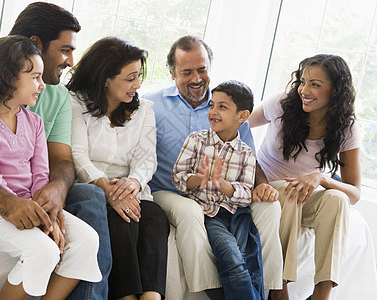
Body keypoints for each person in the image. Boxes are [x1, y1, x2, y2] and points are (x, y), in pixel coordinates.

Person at [0, 3, 111, 300]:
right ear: (36, 45)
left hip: (29, 189)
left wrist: (53, 195)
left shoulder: (54, 99)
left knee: (91, 196)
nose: (72, 61)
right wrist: (8, 203)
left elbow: (60, 161)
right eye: (65, 50)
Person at [142, 35, 282, 298]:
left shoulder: (227, 104)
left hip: (223, 194)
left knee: (271, 207)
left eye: (202, 69)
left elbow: (249, 158)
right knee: (191, 211)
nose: (196, 78)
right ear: (172, 73)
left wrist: (262, 185)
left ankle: (269, 290)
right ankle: (214, 292)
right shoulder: (151, 105)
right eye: (187, 72)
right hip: (170, 191)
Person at [249, 54, 360, 300]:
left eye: (315, 84)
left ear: (336, 90)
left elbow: (354, 193)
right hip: (267, 192)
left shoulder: (346, 126)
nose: (304, 90)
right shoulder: (281, 104)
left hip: (303, 199)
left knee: (337, 200)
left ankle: (322, 293)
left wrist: (321, 178)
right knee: (293, 192)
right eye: (303, 81)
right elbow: (238, 127)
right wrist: (254, 173)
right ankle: (279, 289)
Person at [67, 36, 170, 300]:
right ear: (105, 78)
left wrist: (133, 183)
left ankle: (151, 297)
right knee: (121, 218)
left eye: (139, 76)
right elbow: (77, 155)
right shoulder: (75, 102)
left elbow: (146, 158)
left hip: (130, 189)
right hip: (93, 187)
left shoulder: (144, 109)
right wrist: (107, 188)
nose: (137, 85)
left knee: (155, 215)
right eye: (130, 77)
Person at [172, 80, 264, 300]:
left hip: (236, 215)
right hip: (208, 215)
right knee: (230, 255)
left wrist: (223, 184)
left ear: (242, 116)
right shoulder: (196, 141)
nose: (213, 111)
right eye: (212, 105)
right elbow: (178, 179)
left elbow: (245, 195)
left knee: (250, 258)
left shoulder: (246, 154)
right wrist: (199, 179)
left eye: (222, 107)